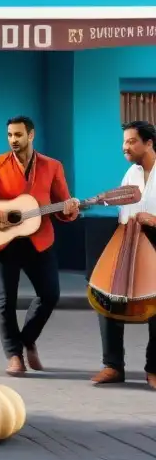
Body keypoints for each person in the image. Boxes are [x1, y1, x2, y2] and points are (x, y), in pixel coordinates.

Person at [0, 116, 80, 377]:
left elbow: (62, 206)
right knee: (5, 301)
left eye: (18, 135)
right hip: (2, 241)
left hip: (40, 242)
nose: (13, 140)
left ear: (31, 135)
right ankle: (14, 355)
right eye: (10, 135)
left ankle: (27, 339)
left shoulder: (52, 166)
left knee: (50, 295)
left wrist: (70, 210)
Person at [91, 120, 156, 389]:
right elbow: (123, 207)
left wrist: (154, 219)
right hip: (129, 238)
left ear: (149, 143)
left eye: (131, 141)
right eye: (124, 142)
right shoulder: (130, 173)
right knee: (107, 298)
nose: (125, 147)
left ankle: (154, 369)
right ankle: (113, 365)